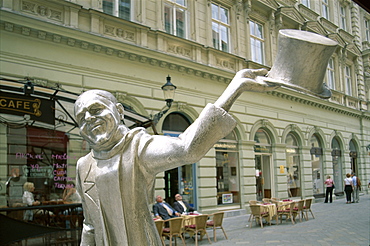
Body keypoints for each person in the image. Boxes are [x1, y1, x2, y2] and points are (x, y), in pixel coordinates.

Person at [74, 68, 279, 245]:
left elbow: (186, 148)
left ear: (119, 111)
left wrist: (235, 88)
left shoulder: (138, 147)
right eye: (81, 118)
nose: (89, 119)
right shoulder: (84, 165)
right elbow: (90, 225)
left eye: (95, 109)